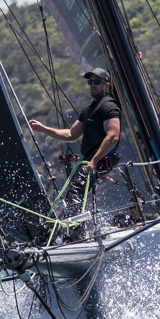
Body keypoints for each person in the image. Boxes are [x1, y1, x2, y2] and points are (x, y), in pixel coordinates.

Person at [29, 68, 121, 214]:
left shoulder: (109, 106)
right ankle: (75, 224)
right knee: (74, 188)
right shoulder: (88, 109)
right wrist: (43, 129)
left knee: (76, 188)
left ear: (107, 85)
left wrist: (95, 160)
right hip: (91, 158)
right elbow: (71, 134)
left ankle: (75, 229)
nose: (92, 85)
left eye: (97, 82)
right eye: (90, 82)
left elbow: (113, 137)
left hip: (104, 157)